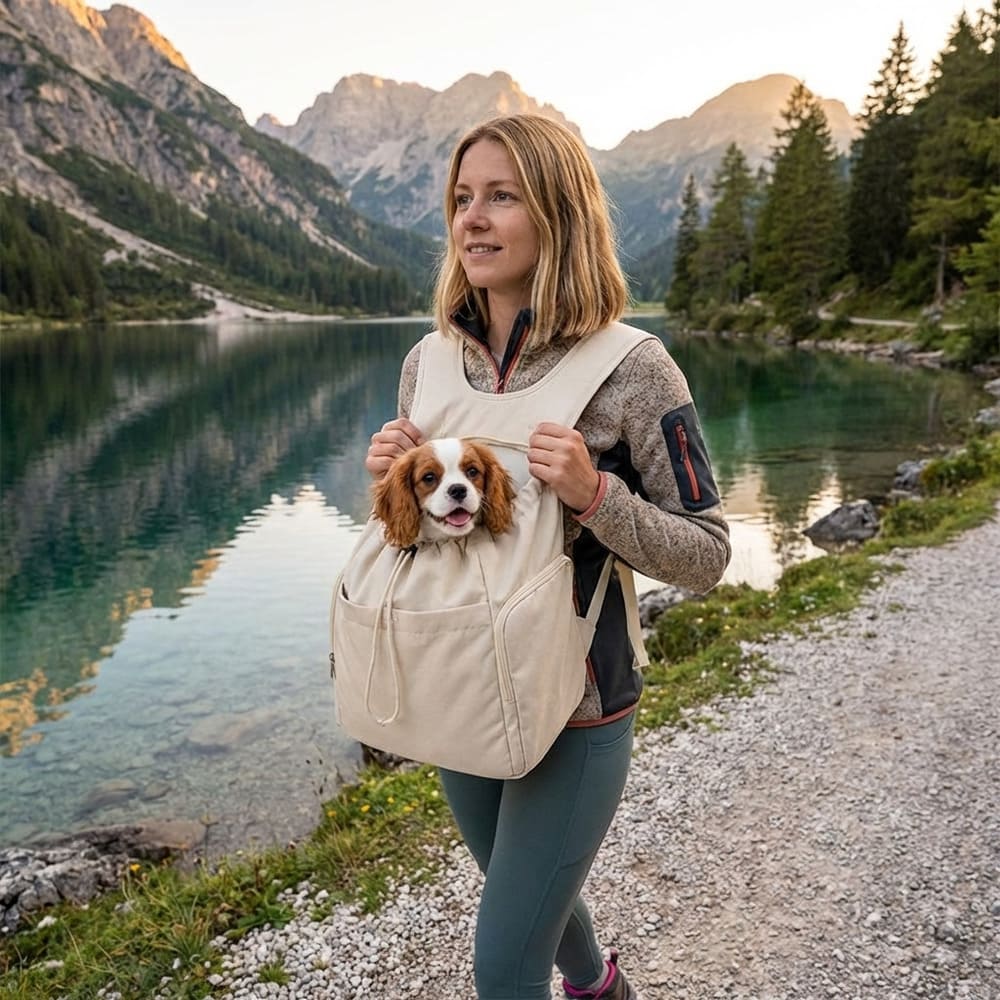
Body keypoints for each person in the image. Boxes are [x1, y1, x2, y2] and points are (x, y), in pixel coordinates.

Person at [365, 114, 730, 1000]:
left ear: (558, 213)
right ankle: (602, 986)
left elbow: (709, 554)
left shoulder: (637, 369)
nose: (472, 220)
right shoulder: (428, 362)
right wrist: (388, 484)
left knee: (503, 961)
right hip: (459, 678)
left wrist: (595, 497)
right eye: (461, 199)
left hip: (580, 697)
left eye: (501, 197)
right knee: (528, 896)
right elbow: (426, 536)